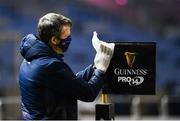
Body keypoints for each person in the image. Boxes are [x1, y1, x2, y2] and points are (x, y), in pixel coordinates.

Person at [19, 13, 114, 120]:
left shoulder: (31, 59)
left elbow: (70, 81)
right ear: (54, 40)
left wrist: (95, 66)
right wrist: (101, 70)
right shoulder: (50, 65)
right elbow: (88, 93)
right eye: (66, 35)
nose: (69, 38)